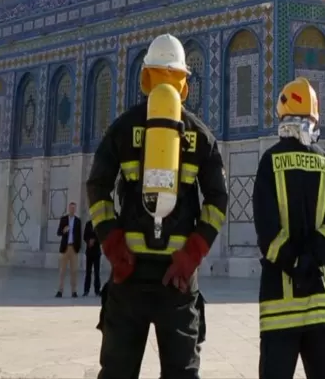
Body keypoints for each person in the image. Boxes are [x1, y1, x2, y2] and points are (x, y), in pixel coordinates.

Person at [86, 33, 228, 379]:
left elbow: (97, 186)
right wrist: (191, 253)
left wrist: (115, 244)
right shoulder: (200, 135)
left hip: (129, 273)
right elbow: (218, 199)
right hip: (176, 279)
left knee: (118, 372)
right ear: (184, 83)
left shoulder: (122, 128)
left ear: (145, 76)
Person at [252, 77, 325, 379]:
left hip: (279, 306)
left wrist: (294, 261)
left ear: (282, 117)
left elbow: (267, 233)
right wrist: (312, 258)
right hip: (321, 303)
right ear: (314, 118)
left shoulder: (269, 162)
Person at [55, 201, 82, 298]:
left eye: (74, 208)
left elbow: (79, 235)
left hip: (73, 248)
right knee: (62, 271)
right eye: (71, 208)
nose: (72, 210)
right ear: (68, 209)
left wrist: (77, 248)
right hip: (65, 248)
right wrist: (64, 231)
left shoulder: (78, 221)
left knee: (74, 271)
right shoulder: (63, 220)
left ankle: (74, 291)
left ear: (75, 210)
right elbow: (58, 232)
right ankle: (60, 290)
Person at [84, 217, 102, 297]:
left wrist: (94, 240)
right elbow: (85, 236)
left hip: (97, 252)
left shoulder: (99, 224)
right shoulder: (88, 224)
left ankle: (97, 290)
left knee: (97, 272)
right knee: (88, 272)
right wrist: (88, 241)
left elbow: (101, 236)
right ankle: (86, 290)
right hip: (89, 252)